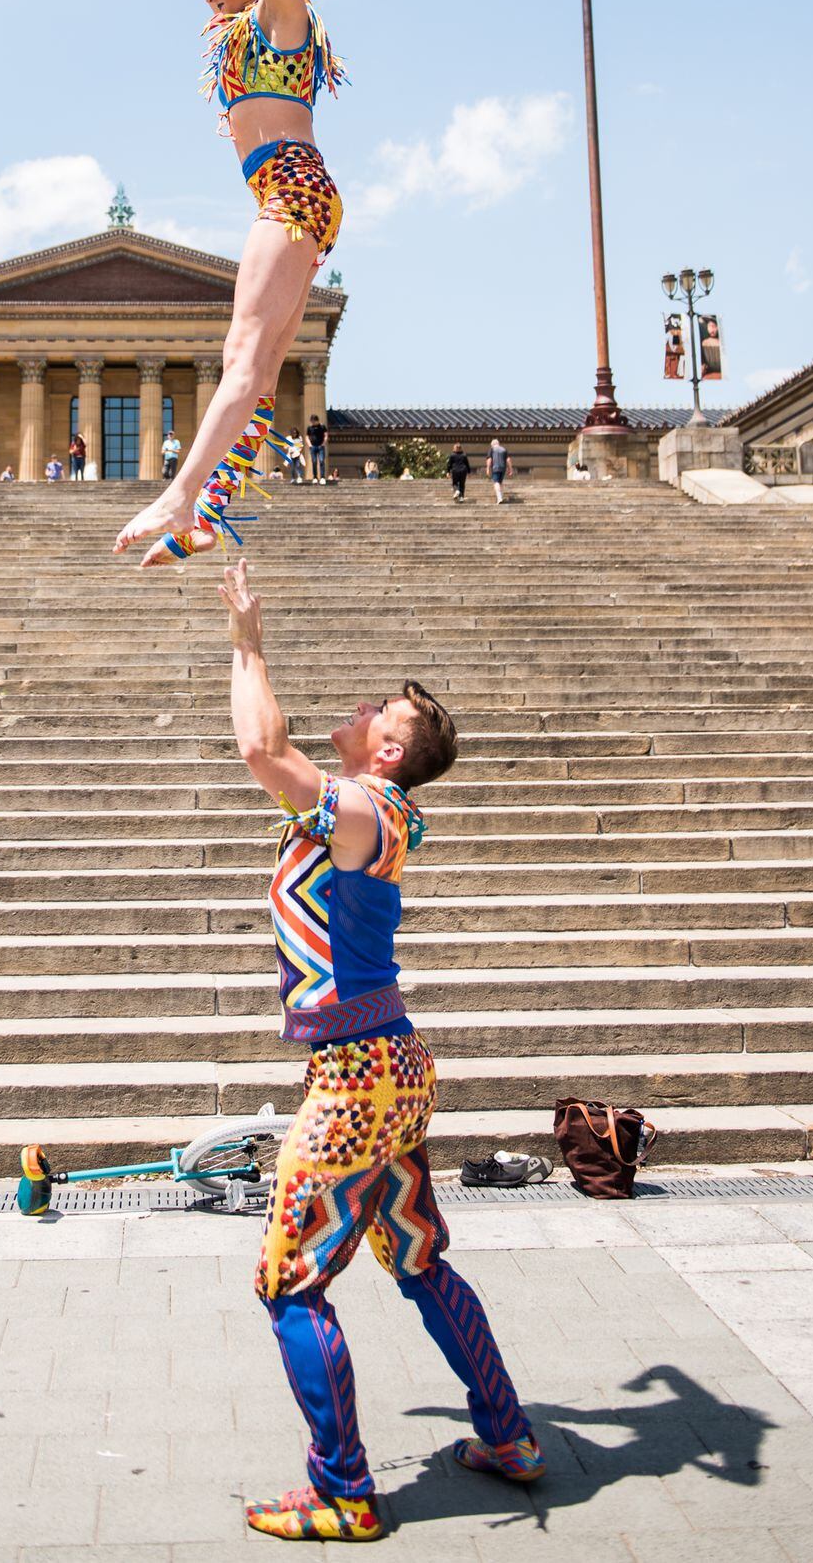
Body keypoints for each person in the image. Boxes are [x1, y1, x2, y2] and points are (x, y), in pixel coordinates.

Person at [218, 560, 542, 1541]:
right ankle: (508, 1435)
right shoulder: (365, 814)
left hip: (359, 1082)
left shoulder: (367, 809)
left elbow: (261, 748)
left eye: (378, 710)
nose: (358, 708)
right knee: (415, 1255)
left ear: (389, 749)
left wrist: (245, 636)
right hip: (390, 1070)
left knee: (288, 1279)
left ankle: (343, 1490)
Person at [112, 0, 345, 567]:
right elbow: (226, 14)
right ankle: (209, 513)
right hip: (300, 197)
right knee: (263, 373)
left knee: (241, 358)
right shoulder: (245, 31)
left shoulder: (286, 22)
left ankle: (181, 496)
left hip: (293, 192)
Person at [305, 414, 328, 484]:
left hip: (320, 446)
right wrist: (309, 445)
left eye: (313, 421)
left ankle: (322, 477)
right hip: (313, 447)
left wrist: (323, 443)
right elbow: (307, 436)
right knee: (314, 462)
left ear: (316, 420)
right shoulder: (309, 428)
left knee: (321, 461)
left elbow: (326, 435)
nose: (312, 422)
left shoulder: (322, 426)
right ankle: (315, 477)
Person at [486, 438, 508, 505]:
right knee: (500, 482)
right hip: (503, 468)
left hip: (495, 468)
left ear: (492, 445)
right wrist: (510, 469)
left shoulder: (492, 449)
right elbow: (508, 459)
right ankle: (501, 496)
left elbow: (489, 459)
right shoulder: (504, 449)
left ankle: (499, 497)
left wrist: (487, 468)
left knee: (496, 482)